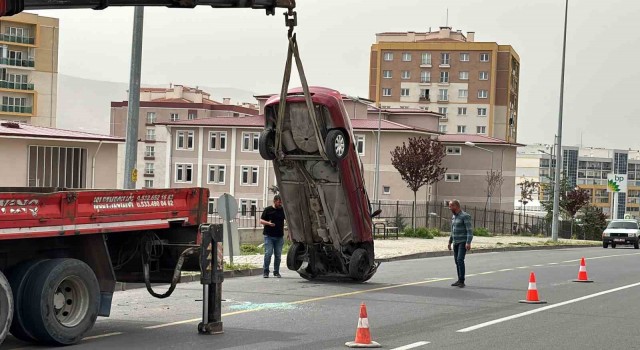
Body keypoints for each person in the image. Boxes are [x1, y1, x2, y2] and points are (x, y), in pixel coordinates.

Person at [447, 199, 473, 288]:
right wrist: (450, 242)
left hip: (463, 242)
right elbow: (452, 231)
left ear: (456, 206)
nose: (449, 208)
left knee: (460, 260)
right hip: (455, 242)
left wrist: (468, 242)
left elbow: (469, 231)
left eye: (451, 206)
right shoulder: (454, 217)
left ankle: (462, 281)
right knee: (456, 261)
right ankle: (459, 279)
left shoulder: (465, 216)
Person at [260, 195, 286, 278]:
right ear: (274, 201)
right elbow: (261, 220)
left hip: (279, 236)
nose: (280, 204)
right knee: (268, 253)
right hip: (269, 236)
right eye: (279, 202)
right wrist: (268, 223)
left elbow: (287, 220)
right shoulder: (268, 210)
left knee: (278, 255)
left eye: (281, 202)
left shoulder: (282, 210)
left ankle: (276, 271)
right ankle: (266, 271)